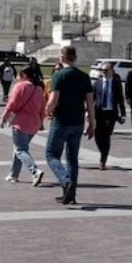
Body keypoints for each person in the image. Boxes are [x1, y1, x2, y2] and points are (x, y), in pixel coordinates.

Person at [44, 46, 95, 206]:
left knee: (51, 154)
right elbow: (90, 103)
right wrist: (92, 123)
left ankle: (66, 182)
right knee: (72, 159)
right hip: (78, 122)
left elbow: (53, 101)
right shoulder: (84, 76)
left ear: (62, 57)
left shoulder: (59, 76)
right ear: (75, 57)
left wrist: (45, 112)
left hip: (61, 121)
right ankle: (70, 195)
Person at [0, 69, 46, 186]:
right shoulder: (39, 89)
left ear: (24, 75)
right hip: (34, 124)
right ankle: (14, 174)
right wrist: (41, 123)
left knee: (20, 150)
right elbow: (42, 108)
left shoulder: (20, 86)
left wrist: (3, 119)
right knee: (19, 148)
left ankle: (35, 171)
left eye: (19, 75)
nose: (17, 78)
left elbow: (11, 104)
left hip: (20, 123)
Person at [91, 61, 125, 170]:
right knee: (97, 136)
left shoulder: (116, 83)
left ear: (111, 71)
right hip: (99, 113)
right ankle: (103, 152)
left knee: (106, 136)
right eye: (102, 70)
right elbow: (92, 98)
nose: (104, 72)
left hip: (111, 113)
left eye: (106, 70)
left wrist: (123, 114)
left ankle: (103, 160)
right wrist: (88, 111)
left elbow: (120, 99)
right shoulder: (97, 83)